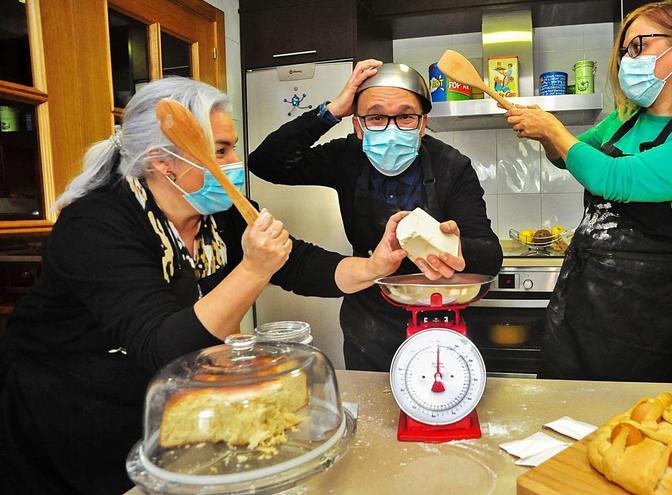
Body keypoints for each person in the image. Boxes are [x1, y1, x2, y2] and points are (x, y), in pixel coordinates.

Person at [0, 77, 409, 494]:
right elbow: (162, 346)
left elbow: (296, 261)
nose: (234, 161)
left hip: (152, 396)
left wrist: (374, 266)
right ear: (163, 161)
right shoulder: (96, 227)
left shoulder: (217, 212)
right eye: (220, 151)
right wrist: (252, 269)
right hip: (64, 409)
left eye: (231, 146)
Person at [503, 0, 672, 381]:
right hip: (576, 306)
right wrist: (541, 133)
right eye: (624, 52)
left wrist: (553, 128)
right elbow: (565, 158)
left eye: (639, 47)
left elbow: (614, 179)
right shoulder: (623, 121)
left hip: (643, 323)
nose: (626, 61)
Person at [249, 61, 502, 371]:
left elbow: (491, 255)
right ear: (358, 125)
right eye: (377, 117)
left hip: (440, 315)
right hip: (368, 317)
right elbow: (266, 163)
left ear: (423, 124)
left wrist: (459, 249)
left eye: (406, 117)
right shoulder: (346, 157)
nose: (392, 129)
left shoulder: (452, 166)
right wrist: (330, 111)